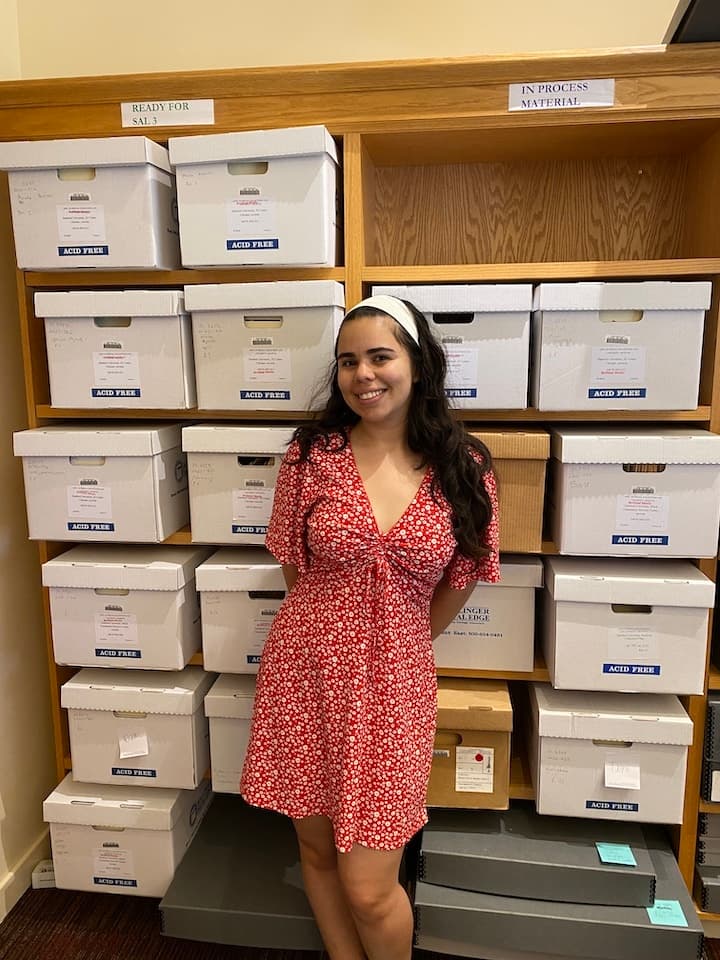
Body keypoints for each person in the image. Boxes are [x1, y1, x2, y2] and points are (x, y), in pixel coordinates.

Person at [240, 294, 500, 960]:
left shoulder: (465, 467)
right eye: (348, 361)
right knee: (316, 850)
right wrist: (334, 633)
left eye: (380, 356)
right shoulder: (311, 456)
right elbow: (295, 566)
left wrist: (394, 641)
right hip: (305, 674)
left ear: (416, 362)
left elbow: (462, 579)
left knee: (370, 888)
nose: (363, 374)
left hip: (395, 688)